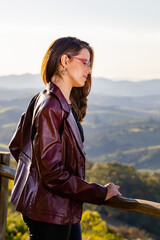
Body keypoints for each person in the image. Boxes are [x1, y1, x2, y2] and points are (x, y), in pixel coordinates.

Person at [9, 37, 121, 240]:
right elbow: (51, 173)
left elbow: (17, 146)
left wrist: (38, 179)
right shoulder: (51, 107)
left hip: (59, 207)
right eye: (85, 62)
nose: (89, 70)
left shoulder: (48, 99)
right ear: (65, 61)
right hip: (50, 213)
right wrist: (100, 192)